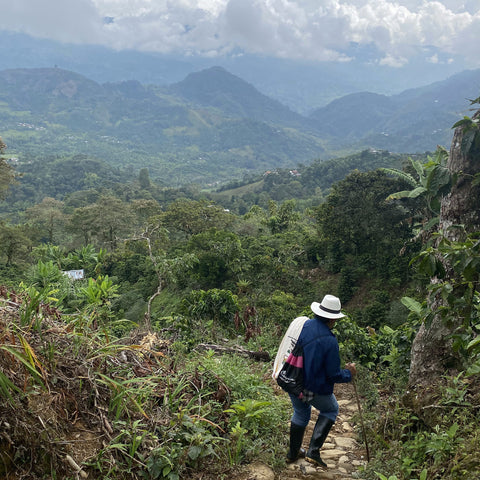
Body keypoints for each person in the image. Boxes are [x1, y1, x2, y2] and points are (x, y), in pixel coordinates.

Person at [285, 294, 356, 467]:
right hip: (312, 387)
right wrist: (349, 373)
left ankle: (293, 453)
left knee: (301, 413)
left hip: (293, 379)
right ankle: (313, 452)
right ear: (333, 319)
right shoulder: (330, 341)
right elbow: (333, 374)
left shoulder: (305, 325)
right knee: (332, 409)